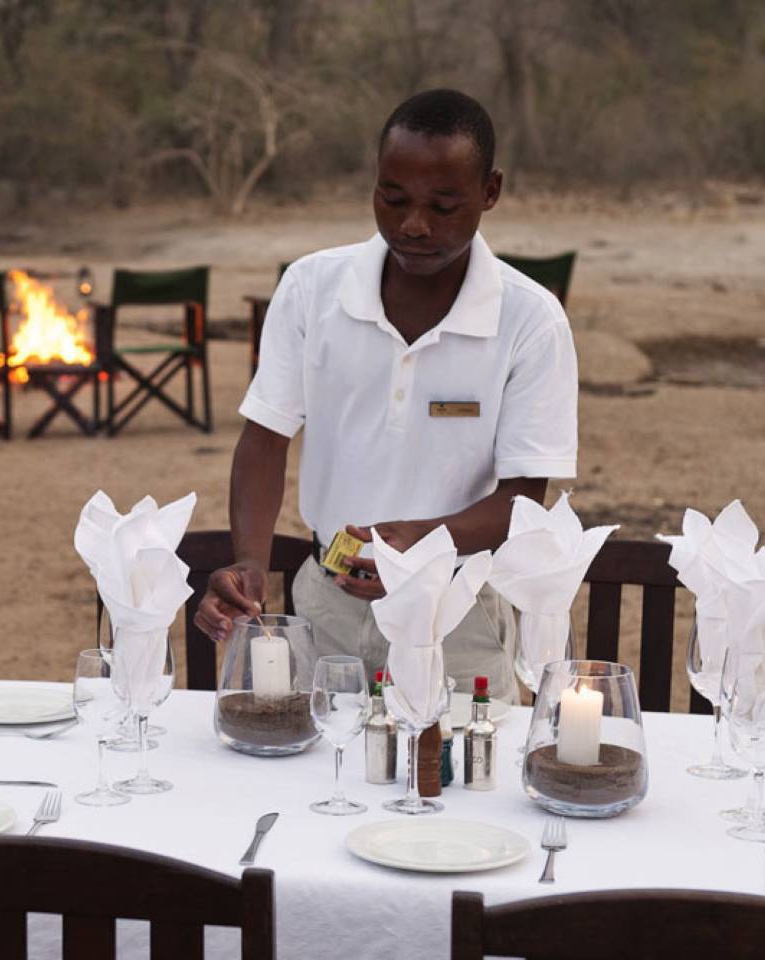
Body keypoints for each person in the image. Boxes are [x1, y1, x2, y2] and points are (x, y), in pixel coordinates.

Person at [192, 89, 578, 699]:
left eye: (443, 205)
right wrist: (249, 561)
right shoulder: (313, 287)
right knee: (317, 779)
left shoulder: (530, 319)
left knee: (457, 782)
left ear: (491, 192)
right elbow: (265, 438)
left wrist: (421, 543)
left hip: (457, 613)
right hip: (325, 604)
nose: (413, 225)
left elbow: (523, 500)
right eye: (391, 199)